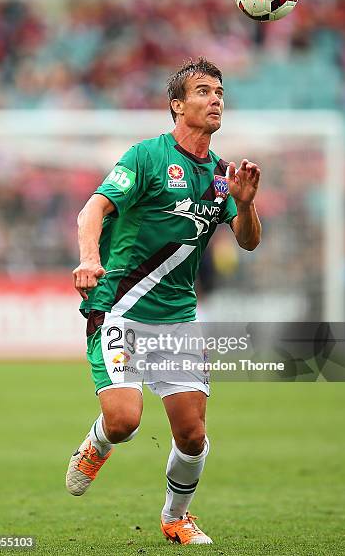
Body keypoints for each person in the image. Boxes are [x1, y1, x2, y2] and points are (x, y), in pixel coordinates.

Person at [66, 57, 261, 545]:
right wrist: (90, 259)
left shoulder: (222, 175)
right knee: (125, 420)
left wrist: (247, 203)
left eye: (219, 91)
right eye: (202, 91)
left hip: (178, 320)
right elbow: (93, 208)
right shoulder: (147, 157)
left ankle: (176, 517)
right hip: (119, 308)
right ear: (177, 105)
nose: (215, 98)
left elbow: (248, 240)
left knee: (192, 436)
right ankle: (98, 443)